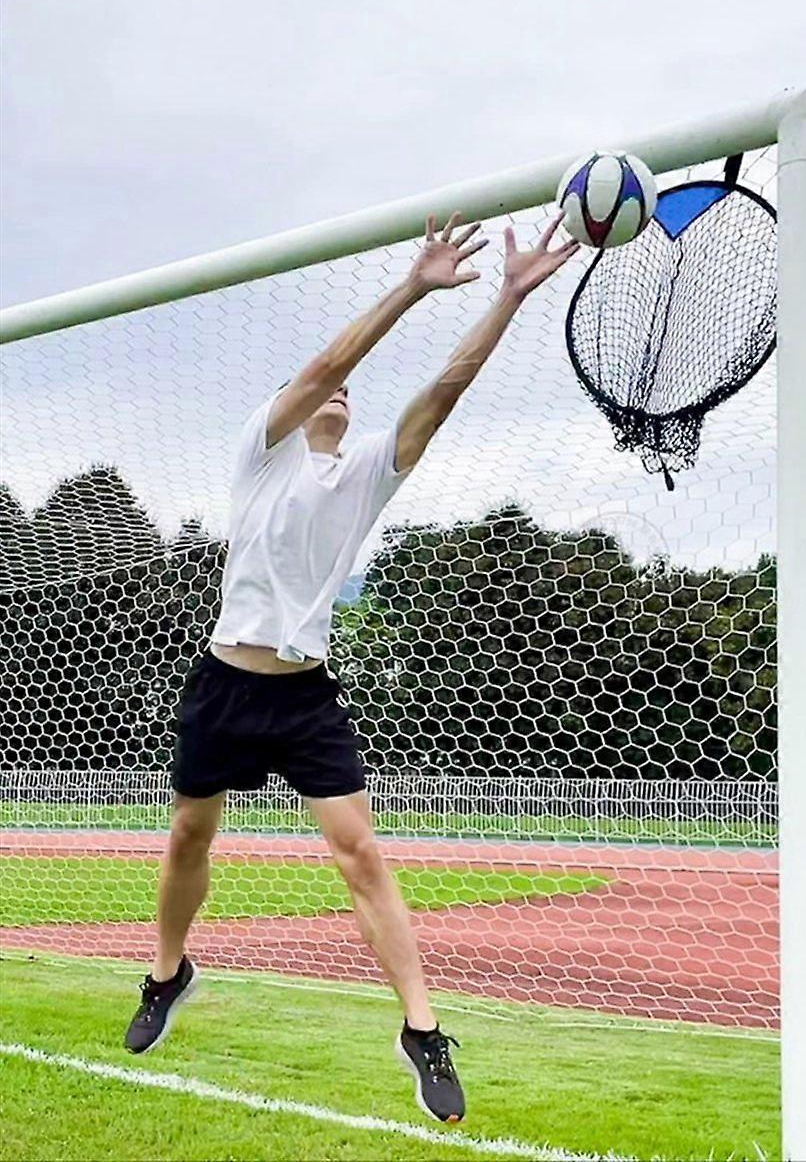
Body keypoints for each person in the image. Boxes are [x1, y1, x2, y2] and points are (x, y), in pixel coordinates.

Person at [122, 211, 579, 1125]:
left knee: (360, 854)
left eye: (346, 398)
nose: (337, 396)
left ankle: (421, 1031)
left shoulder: (369, 470)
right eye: (323, 392)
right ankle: (168, 975)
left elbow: (443, 394)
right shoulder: (259, 456)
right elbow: (331, 366)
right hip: (224, 682)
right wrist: (414, 285)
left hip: (302, 695)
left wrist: (507, 300)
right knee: (186, 837)